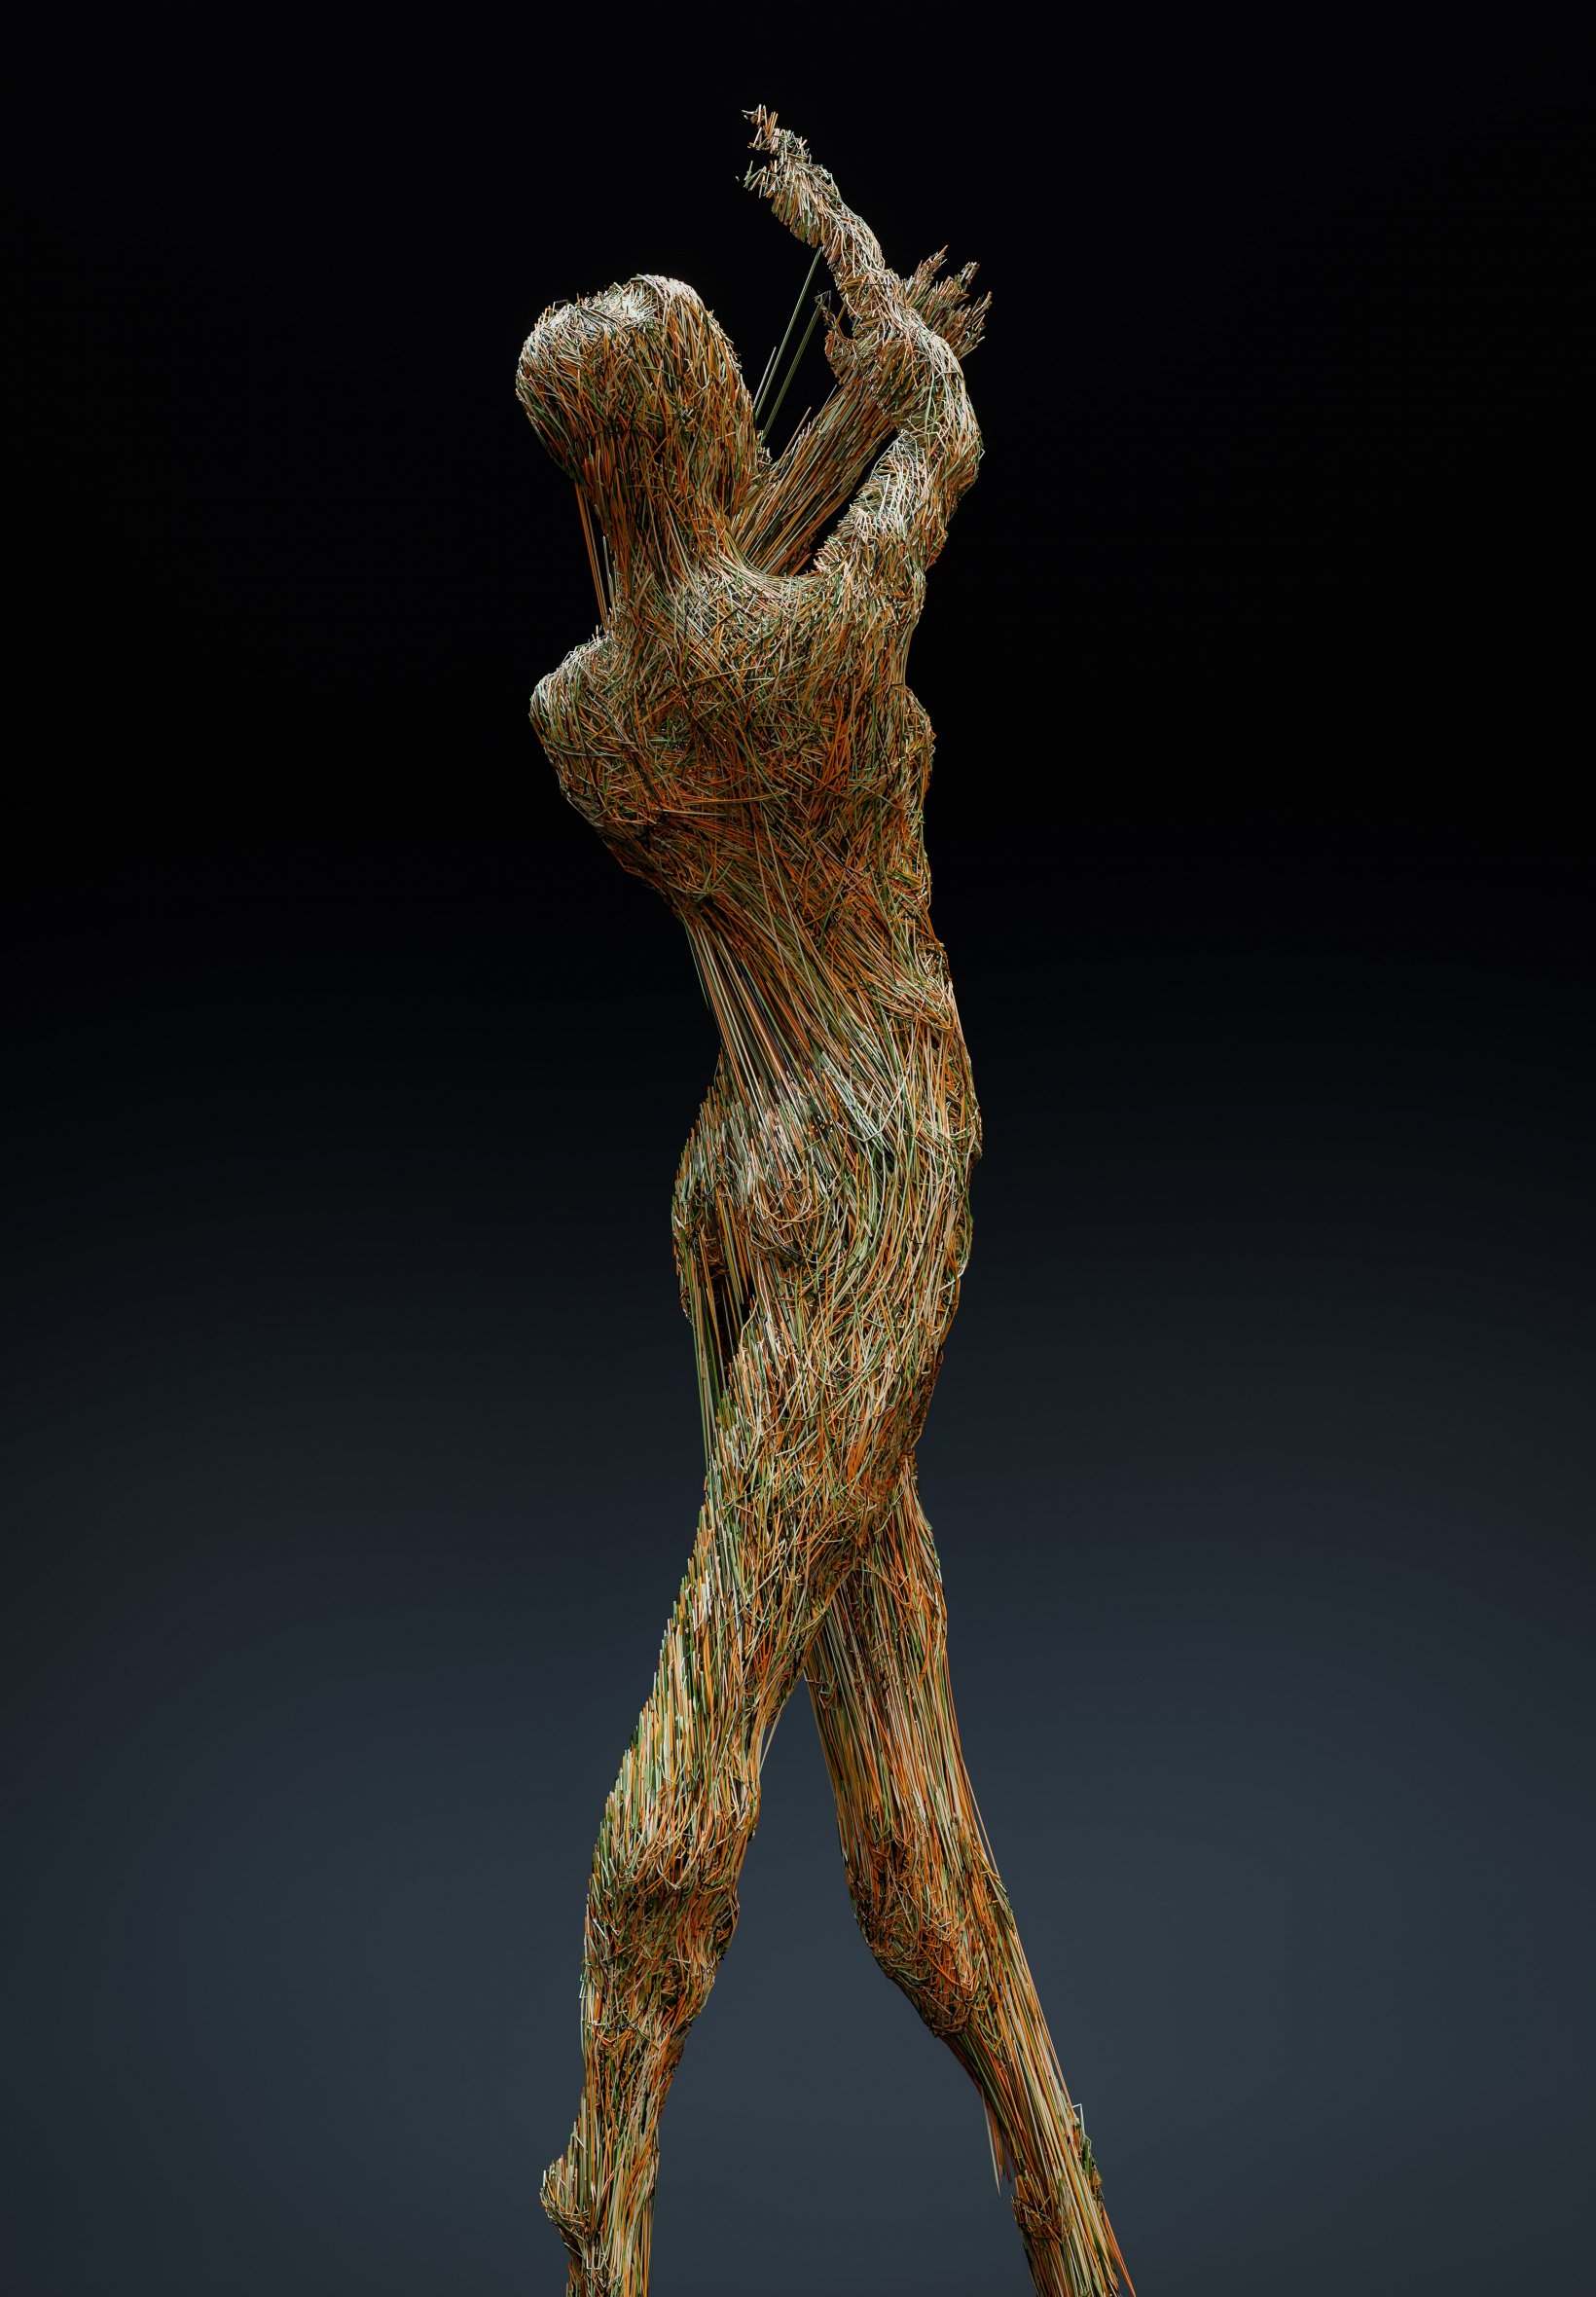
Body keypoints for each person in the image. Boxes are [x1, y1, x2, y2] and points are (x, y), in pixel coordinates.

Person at [515, 107, 1132, 2297]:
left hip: (738, 1173)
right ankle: (604, 2177)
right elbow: (940, 430)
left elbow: (712, 601)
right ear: (706, 428)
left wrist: (834, 395)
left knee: (895, 1797)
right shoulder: (816, 649)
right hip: (875, 1154)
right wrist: (858, 278)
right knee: (719, 1687)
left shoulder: (584, 718)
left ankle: (1061, 2200)